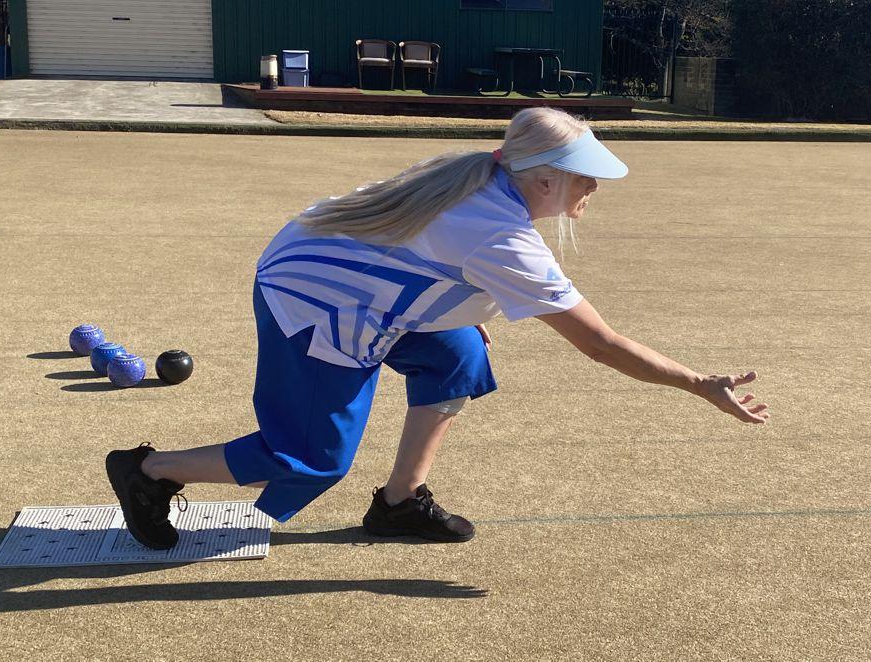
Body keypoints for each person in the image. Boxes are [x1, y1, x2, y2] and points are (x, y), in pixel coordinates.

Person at [105, 107, 769, 550]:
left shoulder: (490, 168)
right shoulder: (502, 236)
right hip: (314, 296)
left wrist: (460, 319)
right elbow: (600, 344)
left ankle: (399, 501)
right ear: (542, 180)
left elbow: (424, 258)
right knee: (310, 458)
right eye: (584, 179)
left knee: (457, 359)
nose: (592, 192)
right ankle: (150, 471)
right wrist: (696, 383)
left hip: (356, 282)